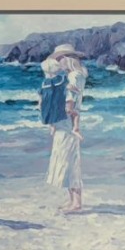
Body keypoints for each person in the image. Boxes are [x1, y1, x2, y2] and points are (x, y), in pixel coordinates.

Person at [40, 43, 87, 212]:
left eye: (60, 59)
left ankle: (76, 202)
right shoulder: (73, 75)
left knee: (69, 162)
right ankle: (73, 200)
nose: (58, 62)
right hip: (65, 122)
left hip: (66, 122)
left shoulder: (74, 75)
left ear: (67, 59)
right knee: (68, 162)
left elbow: (70, 100)